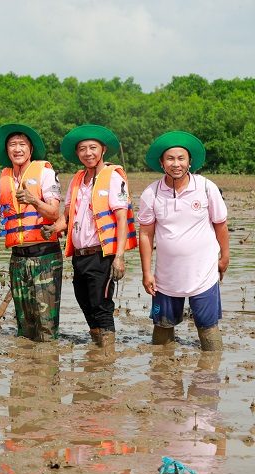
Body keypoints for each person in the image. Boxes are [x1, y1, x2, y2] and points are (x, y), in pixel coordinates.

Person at [43, 125, 137, 348]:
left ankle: (107, 354)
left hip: (102, 255)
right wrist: (53, 228)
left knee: (101, 305)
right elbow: (68, 216)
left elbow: (122, 219)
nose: (88, 153)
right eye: (82, 149)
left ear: (103, 149)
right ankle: (97, 348)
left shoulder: (113, 177)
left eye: (93, 147)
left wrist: (119, 257)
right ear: (77, 153)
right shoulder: (77, 179)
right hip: (80, 256)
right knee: (84, 302)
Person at [0, 124, 62, 341]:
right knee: (24, 324)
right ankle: (26, 361)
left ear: (31, 149)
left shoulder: (46, 173)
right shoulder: (1, 183)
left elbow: (54, 212)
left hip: (45, 257)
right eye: (12, 145)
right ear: (7, 150)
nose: (17, 149)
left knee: (46, 325)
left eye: (22, 144)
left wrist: (34, 201)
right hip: (18, 259)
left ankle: (48, 359)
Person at [138, 131, 228, 351]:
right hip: (166, 276)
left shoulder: (206, 187)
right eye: (170, 159)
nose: (176, 164)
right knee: (162, 328)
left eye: (181, 158)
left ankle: (210, 368)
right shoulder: (151, 193)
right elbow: (146, 234)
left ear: (190, 162)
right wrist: (147, 272)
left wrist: (225, 257)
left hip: (203, 273)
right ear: (162, 163)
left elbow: (220, 225)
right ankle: (162, 369)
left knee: (208, 329)